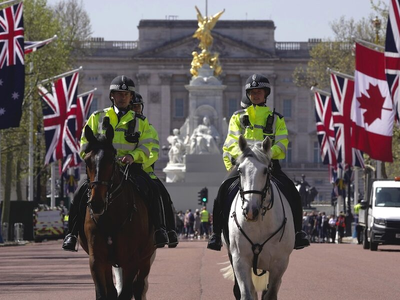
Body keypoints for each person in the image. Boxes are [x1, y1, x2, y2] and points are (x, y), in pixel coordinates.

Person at [62, 75, 169, 251]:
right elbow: (84, 144)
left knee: (155, 190)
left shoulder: (141, 122)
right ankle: (72, 233)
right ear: (112, 96)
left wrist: (133, 157)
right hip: (102, 169)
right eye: (119, 94)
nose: (122, 97)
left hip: (130, 168)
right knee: (80, 194)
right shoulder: (97, 117)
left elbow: (150, 147)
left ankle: (161, 230)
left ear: (130, 97)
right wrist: (97, 158)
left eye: (126, 94)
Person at [207, 73, 310, 251]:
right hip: (245, 165)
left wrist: (267, 155)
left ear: (265, 94)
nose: (256, 95)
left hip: (269, 165)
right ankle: (216, 234)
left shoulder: (276, 118)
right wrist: (244, 158)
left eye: (259, 92)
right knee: (222, 190)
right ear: (248, 95)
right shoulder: (238, 117)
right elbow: (231, 142)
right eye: (252, 92)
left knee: (292, 192)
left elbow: (283, 143)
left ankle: (298, 233)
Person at [131, 93, 178, 247]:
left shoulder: (148, 127)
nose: (136, 110)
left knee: (162, 196)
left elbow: (153, 153)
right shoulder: (116, 124)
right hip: (117, 169)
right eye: (133, 107)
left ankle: (166, 230)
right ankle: (73, 231)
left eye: (138, 107)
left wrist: (138, 163)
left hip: (143, 171)